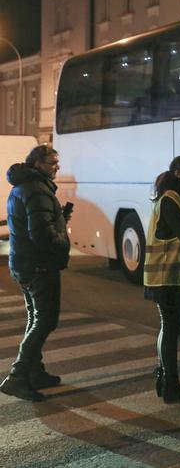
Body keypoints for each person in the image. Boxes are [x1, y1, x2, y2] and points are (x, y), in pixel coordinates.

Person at [0, 145, 70, 402]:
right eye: (52, 162)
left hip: (25, 264)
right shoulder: (36, 189)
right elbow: (42, 235)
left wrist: (60, 219)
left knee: (35, 317)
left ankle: (35, 370)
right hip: (39, 265)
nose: (56, 167)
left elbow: (38, 223)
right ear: (38, 163)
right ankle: (18, 376)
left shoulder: (24, 186)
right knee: (45, 320)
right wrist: (63, 239)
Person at [144, 155, 180, 404]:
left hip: (164, 276)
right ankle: (170, 384)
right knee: (169, 328)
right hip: (166, 276)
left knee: (167, 327)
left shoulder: (171, 195)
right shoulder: (172, 198)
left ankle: (166, 379)